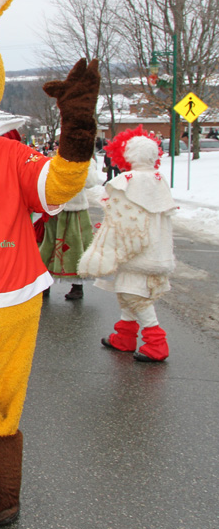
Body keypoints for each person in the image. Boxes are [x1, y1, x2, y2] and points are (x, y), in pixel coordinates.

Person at [79, 128, 176, 362]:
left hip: (134, 252)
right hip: (157, 250)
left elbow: (121, 222)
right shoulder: (158, 180)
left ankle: (156, 343)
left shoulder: (126, 182)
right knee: (130, 293)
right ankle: (125, 336)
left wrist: (105, 250)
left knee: (133, 295)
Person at [39, 155, 100, 300]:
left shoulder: (86, 161)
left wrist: (80, 166)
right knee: (49, 246)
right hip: (55, 208)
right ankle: (45, 284)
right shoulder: (56, 159)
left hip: (75, 208)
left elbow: (91, 182)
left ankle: (77, 286)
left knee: (75, 247)